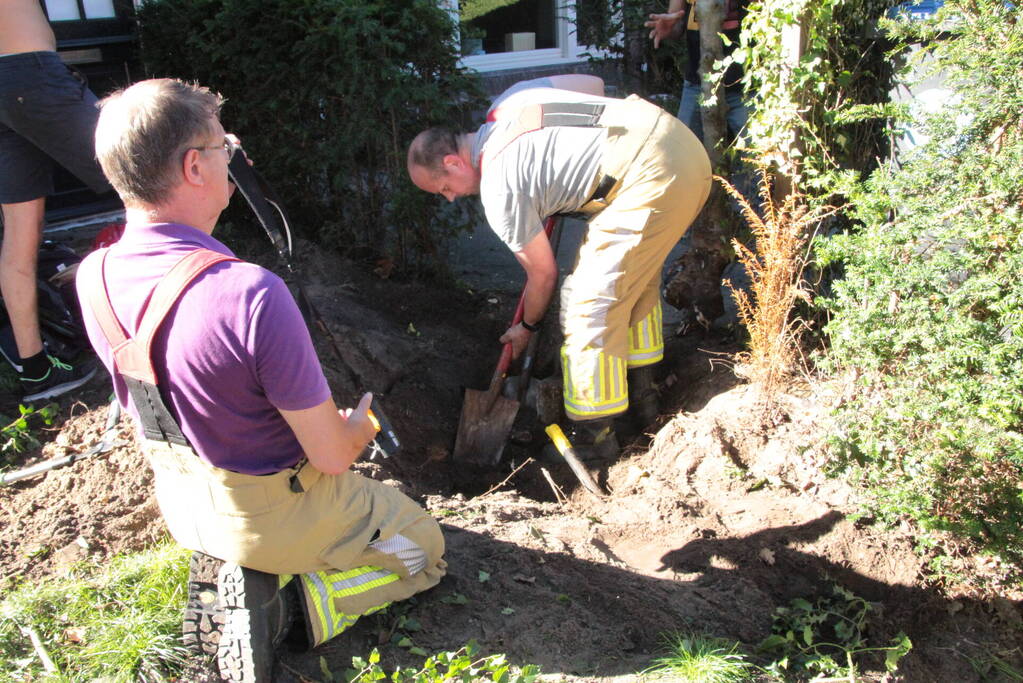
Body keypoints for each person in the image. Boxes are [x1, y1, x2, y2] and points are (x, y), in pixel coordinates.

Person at [77, 78, 446, 682]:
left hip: (188, 505)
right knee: (423, 548)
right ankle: (291, 610)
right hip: (272, 514)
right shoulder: (248, 293)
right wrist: (358, 429)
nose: (233, 158)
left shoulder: (94, 276)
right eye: (225, 147)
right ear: (195, 167)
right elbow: (329, 458)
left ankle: (251, 569)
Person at [407, 75, 711, 457]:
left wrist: (526, 327)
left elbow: (543, 274)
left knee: (588, 302)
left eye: (444, 189)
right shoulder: (508, 102)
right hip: (675, 139)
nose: (451, 199)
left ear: (452, 162)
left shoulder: (499, 188)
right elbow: (594, 84)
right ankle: (643, 396)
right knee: (629, 278)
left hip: (652, 174)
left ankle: (594, 436)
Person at [0, 0, 104, 400]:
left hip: (11, 80)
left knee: (19, 233)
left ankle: (37, 370)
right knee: (152, 172)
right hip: (30, 71)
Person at [646, 0, 751, 145]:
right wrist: (669, 27)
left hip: (743, 83)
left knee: (757, 153)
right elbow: (677, 22)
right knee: (682, 147)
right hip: (697, 81)